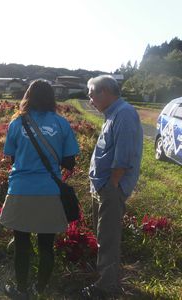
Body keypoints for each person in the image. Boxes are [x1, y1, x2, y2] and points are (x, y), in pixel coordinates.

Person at [0, 80, 79, 299]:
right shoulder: (61, 124)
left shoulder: (17, 124)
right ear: (51, 98)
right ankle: (40, 290)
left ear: (28, 96)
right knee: (46, 245)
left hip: (20, 189)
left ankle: (21, 290)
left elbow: (13, 158)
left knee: (22, 244)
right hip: (49, 191)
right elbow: (69, 161)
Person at [81, 75, 143, 299]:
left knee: (108, 239)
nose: (89, 99)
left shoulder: (124, 114)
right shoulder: (112, 114)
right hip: (104, 187)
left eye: (91, 93)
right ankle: (103, 279)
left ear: (104, 91)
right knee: (102, 235)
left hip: (111, 189)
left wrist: (111, 186)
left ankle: (106, 287)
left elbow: (123, 157)